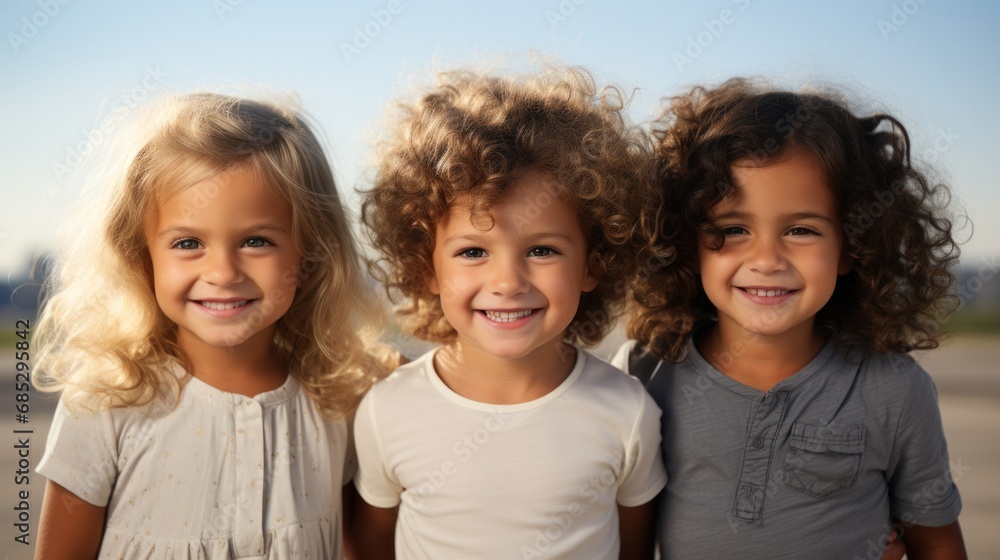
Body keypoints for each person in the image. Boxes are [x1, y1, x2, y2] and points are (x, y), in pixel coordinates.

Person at [612, 78, 967, 559]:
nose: (767, 258)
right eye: (733, 229)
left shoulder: (896, 391)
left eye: (801, 230)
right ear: (688, 242)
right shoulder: (643, 375)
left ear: (851, 246)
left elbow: (938, 544)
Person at [33, 92, 395, 559]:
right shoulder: (107, 402)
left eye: (256, 241)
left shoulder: (340, 402)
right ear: (142, 258)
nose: (223, 273)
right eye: (188, 243)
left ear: (310, 256)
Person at [353, 64, 667, 559]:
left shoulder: (627, 413)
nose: (507, 283)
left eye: (542, 250)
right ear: (425, 266)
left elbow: (634, 548)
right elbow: (371, 548)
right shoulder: (385, 412)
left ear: (594, 262)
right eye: (473, 252)